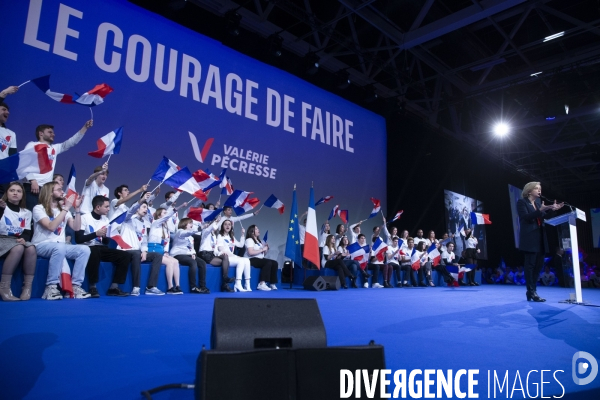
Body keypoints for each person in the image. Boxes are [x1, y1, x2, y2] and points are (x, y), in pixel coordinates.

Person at [32, 182, 91, 300]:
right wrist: (66, 208)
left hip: (61, 246)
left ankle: (75, 286)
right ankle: (51, 287)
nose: (62, 192)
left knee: (84, 249)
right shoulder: (38, 208)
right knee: (59, 247)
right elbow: (51, 226)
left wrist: (77, 209)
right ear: (49, 192)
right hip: (41, 245)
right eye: (59, 190)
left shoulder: (64, 210)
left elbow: (76, 228)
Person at [24, 120, 93, 210]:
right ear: (40, 133)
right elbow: (24, 163)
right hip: (33, 187)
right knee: (30, 215)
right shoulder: (32, 145)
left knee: (43, 216)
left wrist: (85, 128)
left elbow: (71, 142)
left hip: (46, 189)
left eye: (53, 132)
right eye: (50, 132)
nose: (53, 134)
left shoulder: (54, 148)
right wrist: (32, 180)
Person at [76, 195, 132, 297]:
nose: (109, 209)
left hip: (101, 248)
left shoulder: (105, 220)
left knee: (125, 255)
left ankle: (114, 287)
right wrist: (95, 234)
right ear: (98, 207)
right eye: (106, 207)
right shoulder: (84, 218)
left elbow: (105, 242)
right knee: (94, 251)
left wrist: (106, 237)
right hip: (87, 248)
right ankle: (92, 287)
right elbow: (78, 239)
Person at [517, 181, 563, 302]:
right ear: (529, 190)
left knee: (538, 266)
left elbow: (542, 218)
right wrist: (540, 210)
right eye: (536, 188)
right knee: (530, 266)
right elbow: (526, 217)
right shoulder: (522, 202)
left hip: (541, 238)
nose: (539, 190)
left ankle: (532, 291)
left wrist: (553, 210)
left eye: (540, 188)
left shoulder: (537, 203)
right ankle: (531, 292)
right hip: (530, 239)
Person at [116, 195, 165, 296]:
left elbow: (144, 241)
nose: (146, 210)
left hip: (138, 251)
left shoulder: (143, 224)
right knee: (136, 253)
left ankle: (151, 287)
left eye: (147, 208)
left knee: (157, 256)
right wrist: (141, 200)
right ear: (137, 208)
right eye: (143, 207)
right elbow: (131, 210)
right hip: (125, 251)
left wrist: (144, 251)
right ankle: (136, 287)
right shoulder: (128, 219)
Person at [0, 182, 37, 301]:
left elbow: (27, 231)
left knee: (31, 248)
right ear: (7, 193)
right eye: (12, 190)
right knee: (19, 248)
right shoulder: (2, 207)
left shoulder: (26, 212)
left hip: (16, 240)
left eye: (19, 191)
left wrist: (24, 238)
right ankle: (4, 287)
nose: (15, 193)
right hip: (2, 239)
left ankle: (27, 287)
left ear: (22, 195)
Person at [170, 218, 210, 294]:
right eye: (190, 223)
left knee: (202, 263)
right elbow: (186, 233)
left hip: (188, 255)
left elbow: (191, 248)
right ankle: (193, 287)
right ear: (184, 224)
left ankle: (202, 286)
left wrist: (193, 253)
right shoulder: (180, 232)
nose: (192, 225)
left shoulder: (191, 237)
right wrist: (200, 228)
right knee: (193, 262)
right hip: (178, 254)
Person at [148, 207, 182, 294]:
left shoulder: (166, 228)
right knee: (169, 263)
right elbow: (166, 218)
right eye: (164, 213)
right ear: (159, 216)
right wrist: (176, 209)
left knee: (176, 261)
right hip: (153, 250)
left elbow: (166, 242)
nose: (166, 215)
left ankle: (177, 286)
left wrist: (166, 252)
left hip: (161, 250)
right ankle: (170, 287)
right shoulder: (155, 223)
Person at [196, 216, 234, 292]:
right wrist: (216, 221)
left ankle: (225, 281)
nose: (215, 226)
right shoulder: (205, 231)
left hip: (211, 254)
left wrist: (220, 253)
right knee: (225, 262)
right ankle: (225, 282)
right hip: (204, 253)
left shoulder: (214, 235)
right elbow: (209, 229)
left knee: (225, 259)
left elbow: (215, 249)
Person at [216, 220, 250, 292]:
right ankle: (238, 283)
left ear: (231, 227)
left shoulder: (231, 237)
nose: (228, 226)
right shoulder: (220, 236)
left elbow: (240, 245)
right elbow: (221, 248)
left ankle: (247, 284)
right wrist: (235, 256)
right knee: (241, 260)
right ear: (222, 226)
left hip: (232, 257)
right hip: (225, 258)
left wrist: (242, 235)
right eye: (225, 224)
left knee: (247, 260)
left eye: (229, 224)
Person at [244, 225, 278, 291]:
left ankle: (272, 283)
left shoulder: (259, 241)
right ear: (252, 232)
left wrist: (266, 249)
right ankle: (261, 283)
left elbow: (263, 254)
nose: (258, 230)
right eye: (256, 229)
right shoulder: (249, 240)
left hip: (259, 258)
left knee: (274, 263)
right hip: (251, 259)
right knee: (268, 262)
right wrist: (262, 249)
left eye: (258, 228)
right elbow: (250, 252)